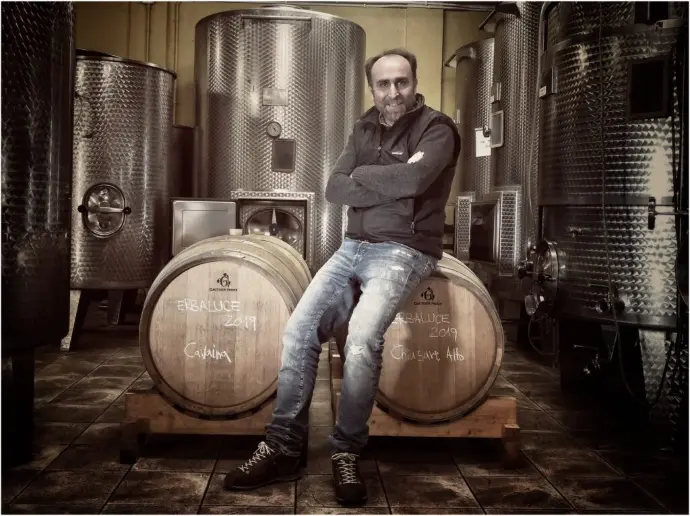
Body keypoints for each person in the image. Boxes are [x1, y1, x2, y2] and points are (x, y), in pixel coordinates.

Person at [224, 48, 461, 505]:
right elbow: (334, 186)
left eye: (402, 82)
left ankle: (345, 451)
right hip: (351, 247)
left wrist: (366, 177)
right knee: (299, 331)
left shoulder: (437, 129)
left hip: (404, 249)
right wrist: (388, 180)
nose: (393, 92)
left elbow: (413, 183)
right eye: (383, 84)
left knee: (362, 338)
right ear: (371, 88)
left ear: (415, 83)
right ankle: (282, 447)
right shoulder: (363, 127)